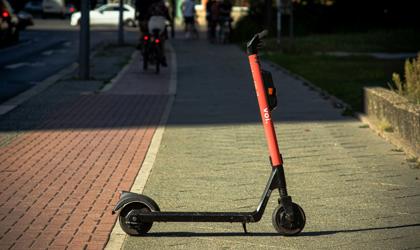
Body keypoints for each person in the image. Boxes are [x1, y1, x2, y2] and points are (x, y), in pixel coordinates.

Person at [147, 0, 171, 66]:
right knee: (162, 40)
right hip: (161, 23)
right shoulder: (163, 5)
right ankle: (163, 57)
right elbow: (167, 15)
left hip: (152, 22)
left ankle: (150, 49)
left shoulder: (151, 5)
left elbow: (148, 14)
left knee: (151, 35)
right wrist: (169, 20)